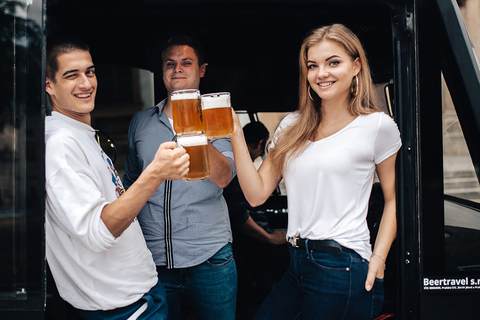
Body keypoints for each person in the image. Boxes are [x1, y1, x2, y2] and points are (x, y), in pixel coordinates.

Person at [229, 24, 402, 320]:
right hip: (297, 261)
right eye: (313, 66)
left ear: (356, 66)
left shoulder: (377, 126)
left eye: (333, 62)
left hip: (343, 264)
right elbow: (256, 195)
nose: (321, 73)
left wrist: (379, 258)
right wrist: (234, 133)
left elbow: (393, 200)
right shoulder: (291, 127)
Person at [45, 36, 190, 320]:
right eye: (71, 75)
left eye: (90, 71)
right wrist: (156, 173)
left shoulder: (79, 135)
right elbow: (100, 231)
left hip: (138, 296)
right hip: (121, 308)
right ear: (49, 84)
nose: (86, 83)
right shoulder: (61, 144)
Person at [124, 35, 237, 320]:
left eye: (186, 63)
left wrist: (195, 131)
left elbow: (224, 177)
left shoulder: (217, 118)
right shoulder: (141, 121)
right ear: (161, 71)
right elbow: (130, 184)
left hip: (210, 257)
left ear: (201, 70)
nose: (177, 69)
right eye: (169, 64)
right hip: (153, 260)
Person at [224, 121, 288, 319]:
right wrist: (270, 238)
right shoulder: (237, 169)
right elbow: (238, 214)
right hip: (250, 245)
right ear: (261, 143)